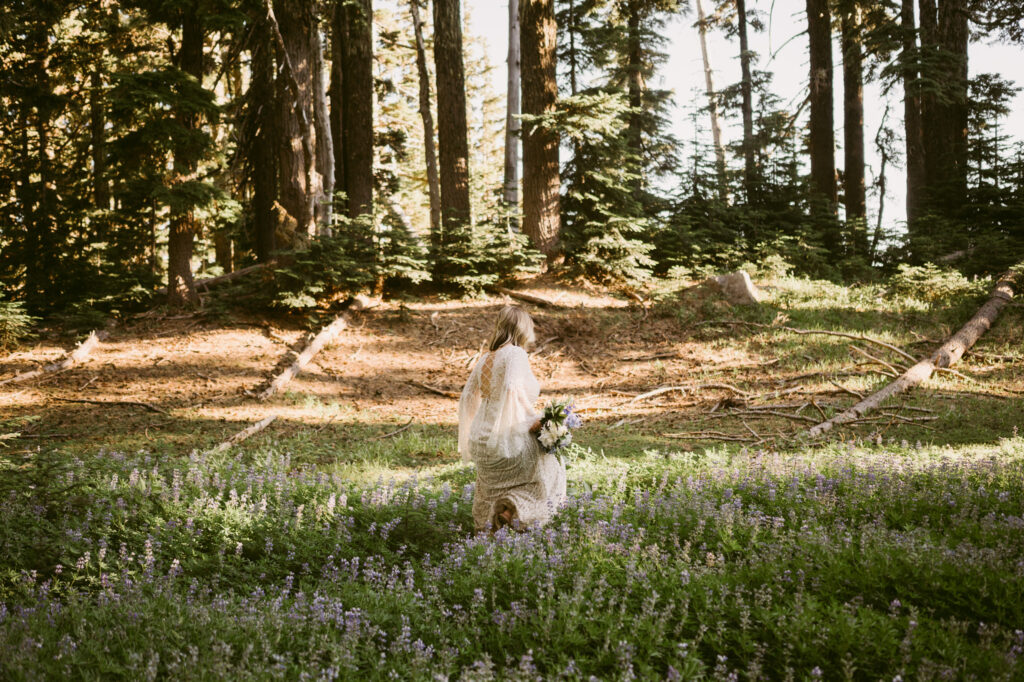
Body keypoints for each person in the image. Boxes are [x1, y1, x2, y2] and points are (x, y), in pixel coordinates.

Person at [458, 305, 567, 532]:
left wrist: (475, 430)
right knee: (551, 467)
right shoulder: (515, 354)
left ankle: (492, 529)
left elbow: (469, 396)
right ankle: (515, 514)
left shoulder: (485, 358)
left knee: (497, 485)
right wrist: (533, 418)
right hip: (503, 439)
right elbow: (511, 389)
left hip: (481, 441)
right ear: (522, 329)